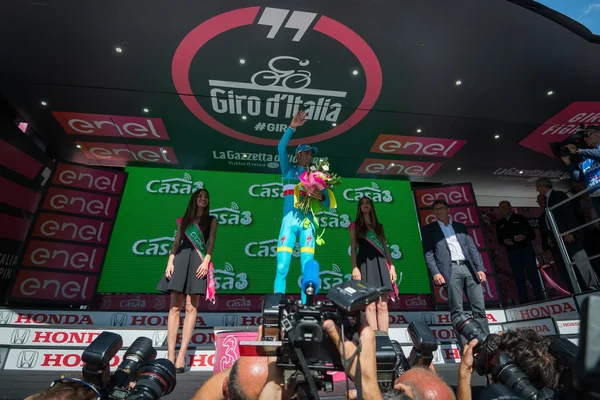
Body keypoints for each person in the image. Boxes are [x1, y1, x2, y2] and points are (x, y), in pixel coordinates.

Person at [156, 188, 218, 373]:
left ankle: (182, 354)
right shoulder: (184, 221)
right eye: (200, 196)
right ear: (194, 199)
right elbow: (176, 242)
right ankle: (170, 355)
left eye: (206, 197)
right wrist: (170, 261)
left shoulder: (212, 220)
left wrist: (206, 262)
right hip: (181, 259)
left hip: (199, 261)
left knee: (192, 306)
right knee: (174, 307)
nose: (203, 199)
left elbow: (211, 242)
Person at [273, 110, 330, 303]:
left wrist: (320, 195)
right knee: (282, 266)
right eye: (306, 153)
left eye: (311, 153)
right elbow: (281, 148)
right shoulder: (288, 171)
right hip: (288, 223)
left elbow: (327, 203)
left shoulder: (319, 177)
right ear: (298, 155)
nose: (309, 156)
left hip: (308, 224)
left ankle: (308, 307)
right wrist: (292, 127)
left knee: (307, 268)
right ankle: (277, 305)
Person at [420, 199, 489, 349]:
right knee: (457, 310)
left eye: (441, 208)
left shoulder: (459, 227)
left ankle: (486, 345)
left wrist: (480, 268)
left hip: (468, 267)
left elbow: (472, 249)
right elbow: (428, 254)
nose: (439, 211)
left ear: (447, 210)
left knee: (479, 307)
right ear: (433, 213)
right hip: (450, 270)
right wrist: (435, 273)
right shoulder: (429, 229)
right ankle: (465, 346)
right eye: (435, 210)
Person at [535, 177, 599, 292]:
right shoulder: (549, 200)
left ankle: (593, 288)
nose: (537, 190)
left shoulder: (558, 195)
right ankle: (581, 290)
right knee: (571, 267)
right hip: (560, 240)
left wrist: (570, 232)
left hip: (570, 236)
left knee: (581, 263)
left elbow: (568, 214)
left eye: (537, 187)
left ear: (541, 186)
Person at [349, 196, 398, 332]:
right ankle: (375, 341)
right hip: (364, 264)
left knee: (382, 305)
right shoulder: (355, 226)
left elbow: (385, 248)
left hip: (382, 264)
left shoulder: (378, 227)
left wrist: (392, 266)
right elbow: (353, 247)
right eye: (362, 203)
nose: (365, 205)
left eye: (368, 203)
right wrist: (355, 268)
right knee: (370, 305)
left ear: (371, 206)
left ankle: (385, 340)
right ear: (359, 207)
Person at [495, 200, 544, 304]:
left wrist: (523, 236)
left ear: (510, 208)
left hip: (525, 249)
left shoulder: (520, 218)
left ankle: (540, 298)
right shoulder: (500, 223)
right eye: (500, 208)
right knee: (518, 276)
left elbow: (532, 234)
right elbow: (499, 239)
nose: (502, 210)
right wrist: (505, 241)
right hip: (512, 252)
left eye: (504, 207)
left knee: (532, 274)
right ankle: (523, 301)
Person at [561, 125, 600, 216]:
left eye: (588, 134)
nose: (586, 139)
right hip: (594, 195)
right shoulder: (585, 158)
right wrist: (567, 162)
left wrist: (578, 151)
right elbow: (579, 178)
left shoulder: (592, 152)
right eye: (584, 137)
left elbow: (598, 154)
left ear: (598, 133)